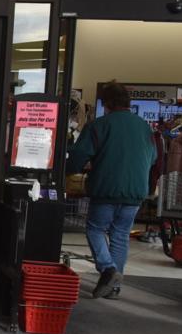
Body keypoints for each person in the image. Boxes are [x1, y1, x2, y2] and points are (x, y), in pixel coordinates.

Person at [66, 81, 157, 298]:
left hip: (107, 188)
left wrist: (69, 169)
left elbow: (78, 157)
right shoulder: (144, 127)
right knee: (120, 236)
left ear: (107, 103)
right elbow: (153, 157)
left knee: (95, 229)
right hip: (136, 191)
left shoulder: (99, 125)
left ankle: (108, 269)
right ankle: (113, 288)